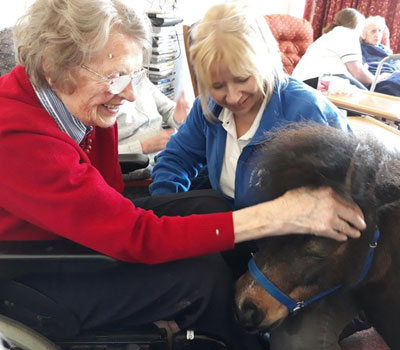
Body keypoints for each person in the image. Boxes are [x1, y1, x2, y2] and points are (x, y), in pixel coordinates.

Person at [0, 0, 366, 348]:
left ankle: (245, 301)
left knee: (211, 204)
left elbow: (110, 195)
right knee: (201, 279)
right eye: (114, 78)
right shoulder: (16, 136)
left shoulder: (82, 105)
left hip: (76, 235)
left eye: (133, 75)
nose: (129, 94)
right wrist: (274, 215)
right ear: (54, 69)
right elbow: (135, 234)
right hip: (31, 270)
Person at [148, 3, 368, 350]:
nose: (232, 96)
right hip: (243, 249)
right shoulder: (209, 107)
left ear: (264, 60)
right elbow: (175, 160)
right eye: (218, 84)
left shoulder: (307, 111)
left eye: (243, 79)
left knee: (294, 341)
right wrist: (172, 209)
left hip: (302, 264)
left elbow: (348, 208)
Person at [292, 8, 389, 90]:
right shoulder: (348, 34)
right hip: (318, 82)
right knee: (366, 101)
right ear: (358, 26)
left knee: (356, 97)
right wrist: (377, 78)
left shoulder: (330, 35)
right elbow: (358, 73)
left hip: (302, 82)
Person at [117, 77, 190, 180]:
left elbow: (169, 109)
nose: (134, 94)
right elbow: (97, 157)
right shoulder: (101, 98)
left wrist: (178, 117)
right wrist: (142, 147)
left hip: (166, 155)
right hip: (140, 169)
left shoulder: (139, 76)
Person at [361, 15, 400, 97]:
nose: (377, 34)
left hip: (394, 76)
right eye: (373, 31)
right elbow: (361, 71)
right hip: (378, 81)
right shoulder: (361, 49)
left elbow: (397, 63)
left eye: (380, 31)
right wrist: (378, 77)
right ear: (363, 35)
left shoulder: (386, 50)